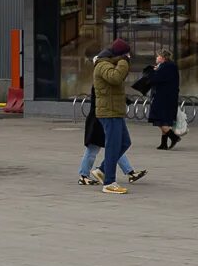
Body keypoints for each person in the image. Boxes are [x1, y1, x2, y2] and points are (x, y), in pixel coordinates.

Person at [93, 38, 145, 193]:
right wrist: (123, 62)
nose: (128, 58)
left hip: (115, 111)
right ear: (121, 54)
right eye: (126, 55)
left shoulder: (109, 63)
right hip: (109, 112)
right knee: (113, 146)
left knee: (124, 143)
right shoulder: (102, 65)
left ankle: (102, 170)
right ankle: (109, 183)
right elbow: (115, 78)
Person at [76, 54, 110, 186]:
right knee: (95, 149)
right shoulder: (99, 80)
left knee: (114, 145)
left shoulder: (99, 78)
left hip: (99, 118)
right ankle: (84, 175)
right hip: (97, 119)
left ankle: (129, 171)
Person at [148, 48, 182, 150]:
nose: (156, 58)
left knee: (158, 118)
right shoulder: (169, 66)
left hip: (163, 98)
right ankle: (164, 143)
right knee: (164, 120)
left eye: (158, 56)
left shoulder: (166, 67)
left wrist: (152, 72)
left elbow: (155, 80)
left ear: (163, 58)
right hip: (168, 97)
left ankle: (174, 137)